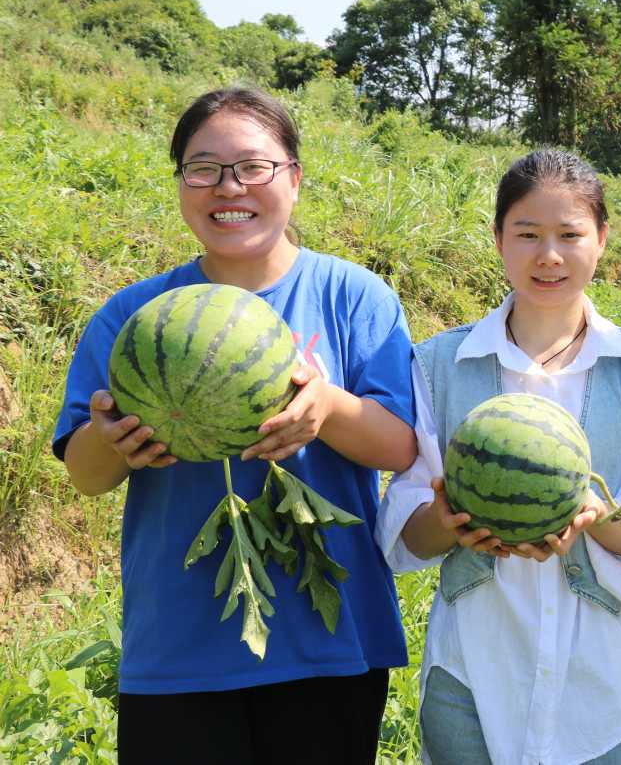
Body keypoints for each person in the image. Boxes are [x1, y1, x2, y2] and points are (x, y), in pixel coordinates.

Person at [53, 87, 418, 764]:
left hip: (331, 647)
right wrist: (114, 441)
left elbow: (400, 446)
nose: (229, 187)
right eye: (203, 168)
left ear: (294, 179)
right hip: (178, 650)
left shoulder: (354, 296)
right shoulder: (134, 315)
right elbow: (83, 474)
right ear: (181, 182)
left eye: (253, 166)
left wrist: (327, 409)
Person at [376, 149, 621, 765]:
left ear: (601, 239)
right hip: (471, 669)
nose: (549, 255)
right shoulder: (437, 362)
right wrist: (448, 520)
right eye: (527, 234)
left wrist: (594, 516)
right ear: (498, 239)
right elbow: (405, 520)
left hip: (596, 682)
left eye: (570, 235)